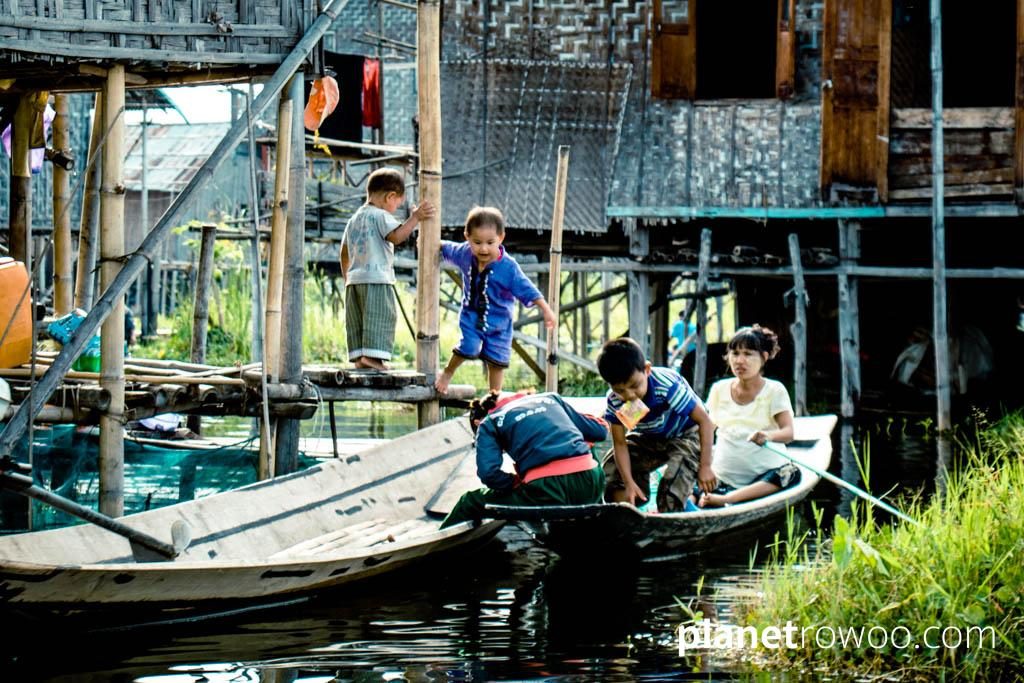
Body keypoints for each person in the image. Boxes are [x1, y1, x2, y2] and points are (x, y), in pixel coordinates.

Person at [440, 391, 608, 528]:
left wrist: (515, 482)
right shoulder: (551, 398)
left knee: (470, 500)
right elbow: (600, 431)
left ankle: (437, 541)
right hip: (591, 481)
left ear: (477, 423)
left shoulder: (488, 423)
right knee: (589, 447)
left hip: (546, 491)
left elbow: (489, 474)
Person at [435, 207, 556, 394]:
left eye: (490, 242)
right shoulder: (465, 253)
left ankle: (493, 398)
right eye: (477, 242)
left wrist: (546, 309)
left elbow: (527, 288)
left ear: (501, 238)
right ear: (467, 236)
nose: (483, 248)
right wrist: (429, 241)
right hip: (471, 315)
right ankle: (447, 372)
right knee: (469, 345)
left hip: (500, 322)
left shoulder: (508, 267)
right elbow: (444, 246)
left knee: (497, 360)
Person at [596, 337, 715, 512]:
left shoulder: (666, 386)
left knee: (673, 482)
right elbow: (620, 443)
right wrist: (628, 483)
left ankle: (672, 515)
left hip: (686, 432)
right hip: (651, 437)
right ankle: (629, 512)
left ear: (647, 370)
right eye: (620, 390)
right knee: (613, 468)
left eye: (634, 386)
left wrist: (705, 466)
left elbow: (704, 420)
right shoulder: (616, 401)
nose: (630, 395)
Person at [340, 167, 435, 369]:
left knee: (359, 319)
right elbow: (397, 236)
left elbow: (344, 252)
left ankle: (360, 357)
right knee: (381, 316)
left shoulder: (354, 219)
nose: (396, 208)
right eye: (397, 204)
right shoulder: (380, 216)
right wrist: (415, 218)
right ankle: (373, 358)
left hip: (354, 280)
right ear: (390, 196)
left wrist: (347, 277)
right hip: (377, 278)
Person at [697, 324, 796, 508]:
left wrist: (768, 436)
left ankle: (729, 499)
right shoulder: (719, 389)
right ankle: (699, 499)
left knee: (789, 473)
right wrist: (705, 465)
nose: (740, 361)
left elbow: (789, 433)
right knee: (691, 473)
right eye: (735, 354)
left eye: (748, 354)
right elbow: (707, 428)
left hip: (765, 474)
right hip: (723, 475)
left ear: (764, 358)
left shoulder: (775, 390)